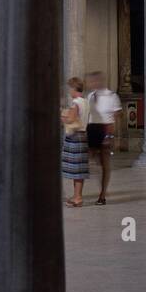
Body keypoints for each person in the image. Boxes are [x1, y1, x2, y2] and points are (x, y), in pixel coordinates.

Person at [85, 71, 123, 206]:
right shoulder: (90, 96)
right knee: (89, 161)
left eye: (94, 80)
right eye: (90, 81)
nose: (92, 83)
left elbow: (116, 117)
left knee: (104, 164)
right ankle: (81, 193)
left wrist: (110, 136)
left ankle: (102, 194)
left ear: (100, 81)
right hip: (91, 129)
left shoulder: (112, 96)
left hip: (104, 129)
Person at [61, 77, 89, 207]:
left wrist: (61, 117)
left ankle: (78, 197)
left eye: (70, 89)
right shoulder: (86, 101)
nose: (69, 92)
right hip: (83, 135)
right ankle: (77, 195)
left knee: (76, 170)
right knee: (79, 170)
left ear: (73, 88)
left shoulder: (76, 103)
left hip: (75, 136)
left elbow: (70, 120)